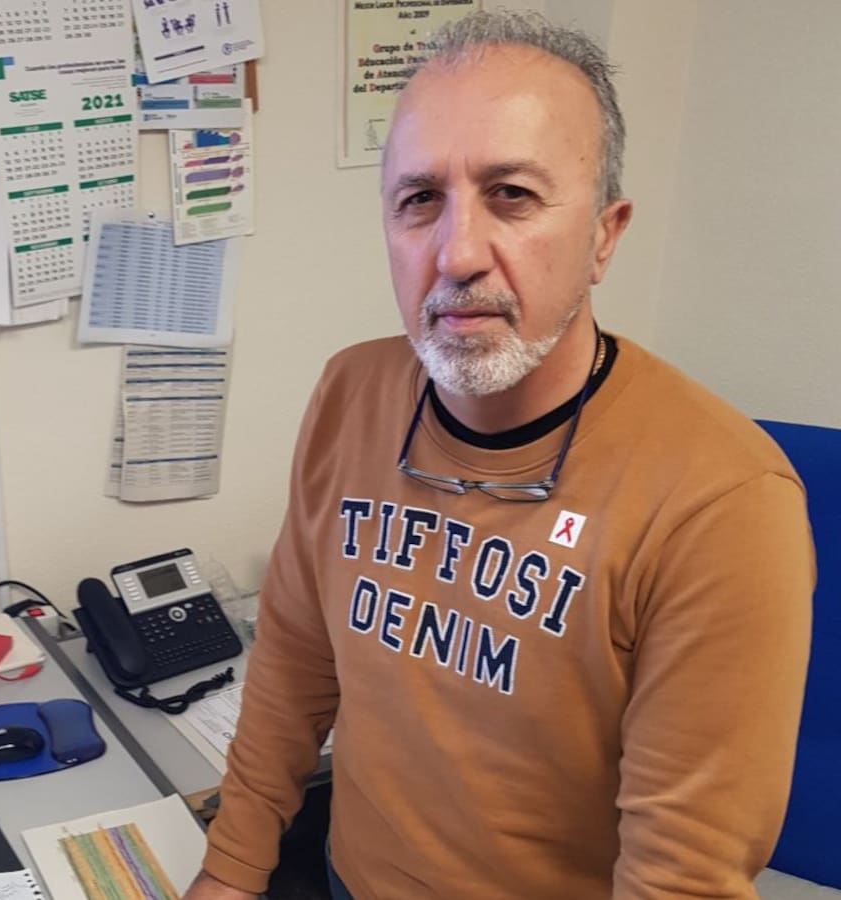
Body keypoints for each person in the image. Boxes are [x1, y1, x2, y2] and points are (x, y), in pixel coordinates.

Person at [183, 9, 815, 900]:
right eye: (419, 200)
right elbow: (295, 660)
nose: (456, 253)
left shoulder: (725, 501)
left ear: (604, 235)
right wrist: (230, 869)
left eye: (512, 194)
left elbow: (682, 875)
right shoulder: (350, 393)